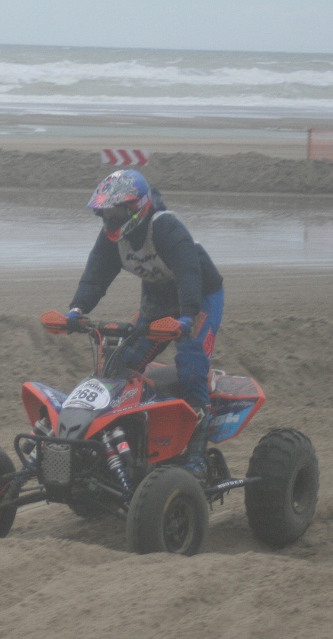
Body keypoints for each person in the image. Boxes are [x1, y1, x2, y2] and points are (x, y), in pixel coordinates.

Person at [64, 169, 224, 479]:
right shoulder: (113, 239)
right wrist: (76, 308)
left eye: (115, 212)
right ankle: (132, 438)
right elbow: (96, 275)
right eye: (105, 213)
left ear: (136, 207)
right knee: (123, 362)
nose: (109, 219)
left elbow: (190, 271)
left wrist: (188, 315)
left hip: (199, 296)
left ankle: (197, 451)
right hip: (158, 299)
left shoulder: (164, 227)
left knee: (191, 360)